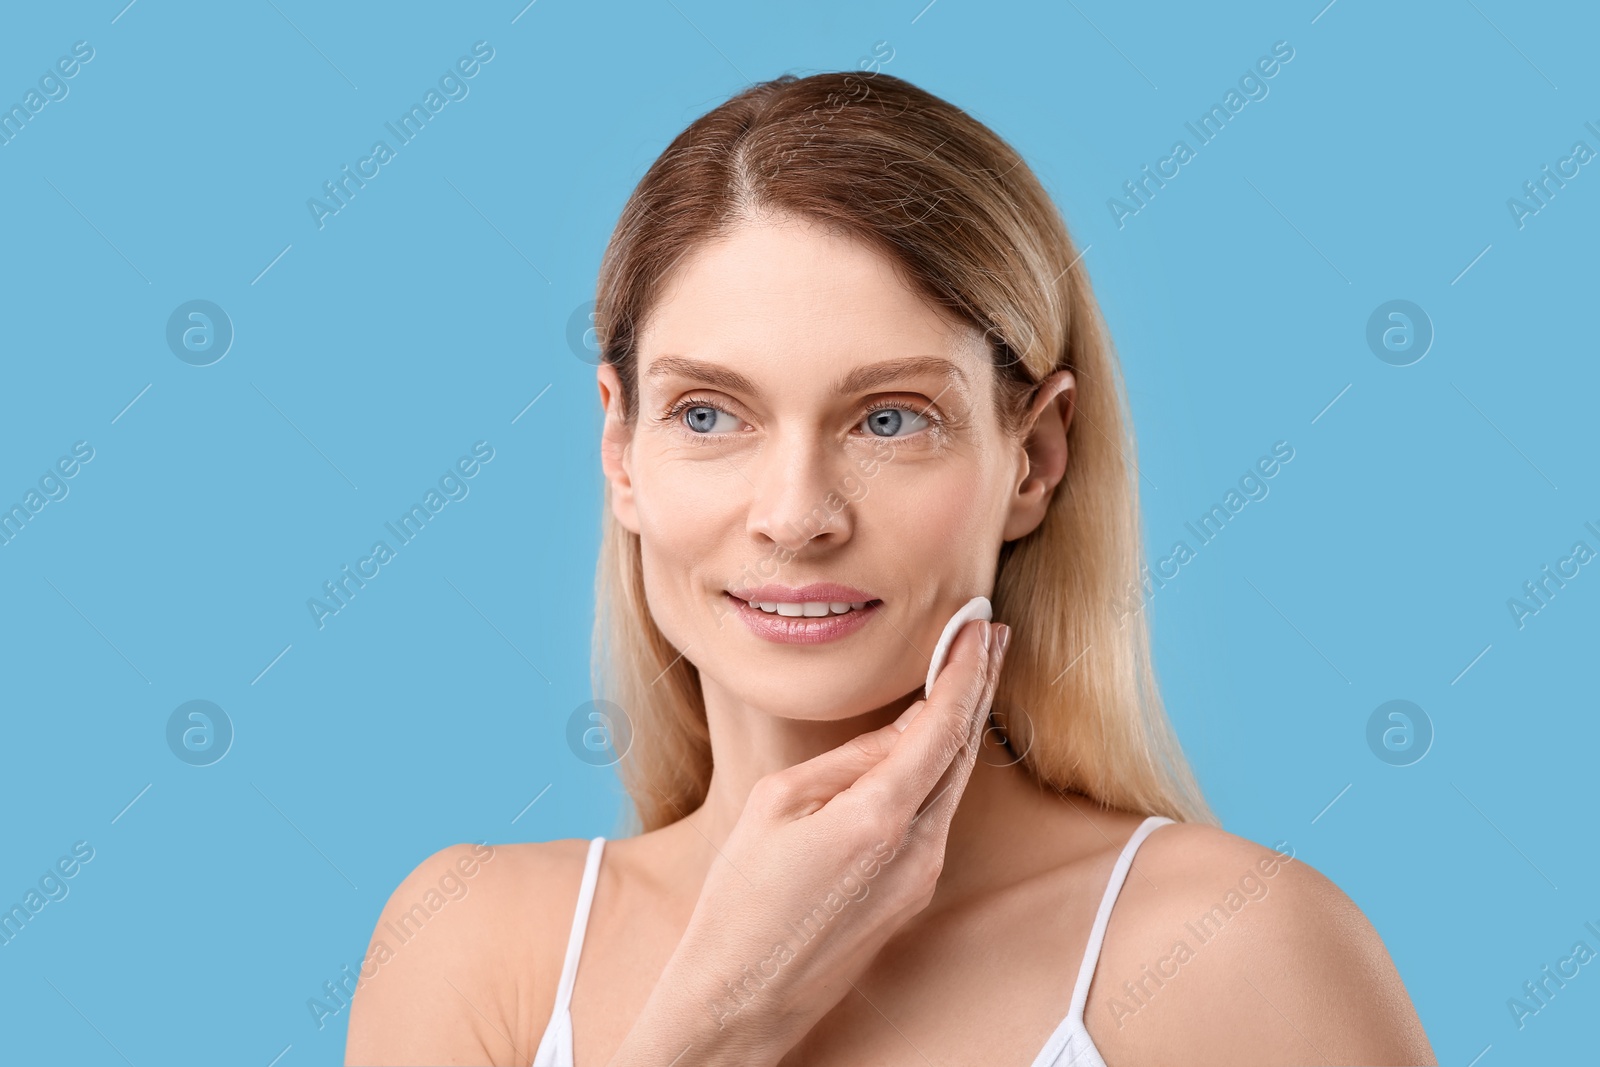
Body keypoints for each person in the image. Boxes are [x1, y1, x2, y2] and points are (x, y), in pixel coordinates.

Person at [346, 70, 1435, 1066]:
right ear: (620, 450)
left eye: (888, 417)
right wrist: (719, 1015)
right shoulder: (472, 946)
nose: (794, 515)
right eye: (710, 412)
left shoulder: (1231, 949)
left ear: (1035, 456)